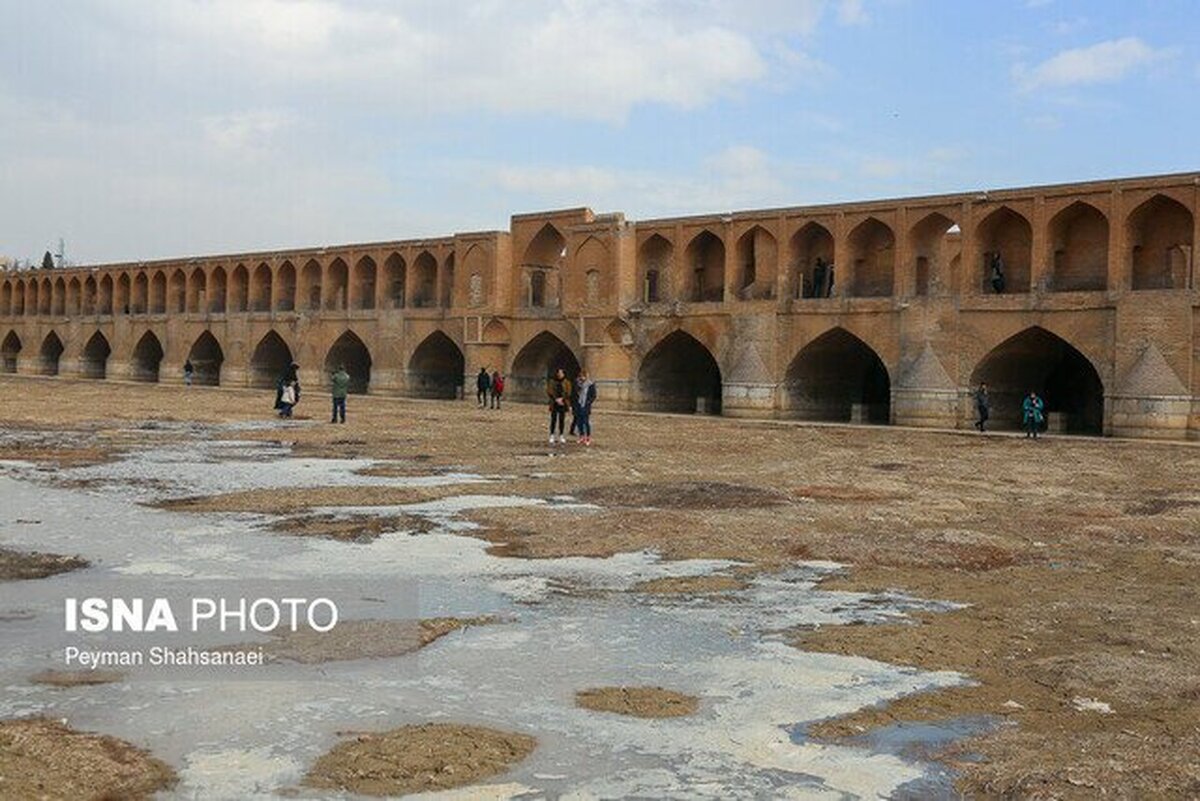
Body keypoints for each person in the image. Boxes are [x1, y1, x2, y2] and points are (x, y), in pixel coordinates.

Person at [546, 367, 572, 445]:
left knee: (561, 420)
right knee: (553, 420)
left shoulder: (567, 382)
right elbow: (549, 391)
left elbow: (569, 393)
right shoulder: (552, 382)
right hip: (554, 403)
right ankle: (552, 435)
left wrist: (562, 399)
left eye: (561, 373)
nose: (560, 374)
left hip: (563, 403)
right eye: (558, 373)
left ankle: (561, 435)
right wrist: (556, 399)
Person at [573, 369, 597, 446]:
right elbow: (574, 394)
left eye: (583, 376)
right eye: (581, 376)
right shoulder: (577, 384)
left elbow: (593, 396)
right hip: (578, 405)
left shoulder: (590, 385)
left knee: (586, 422)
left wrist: (588, 402)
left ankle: (588, 437)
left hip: (585, 406)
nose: (582, 378)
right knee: (579, 422)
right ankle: (581, 436)